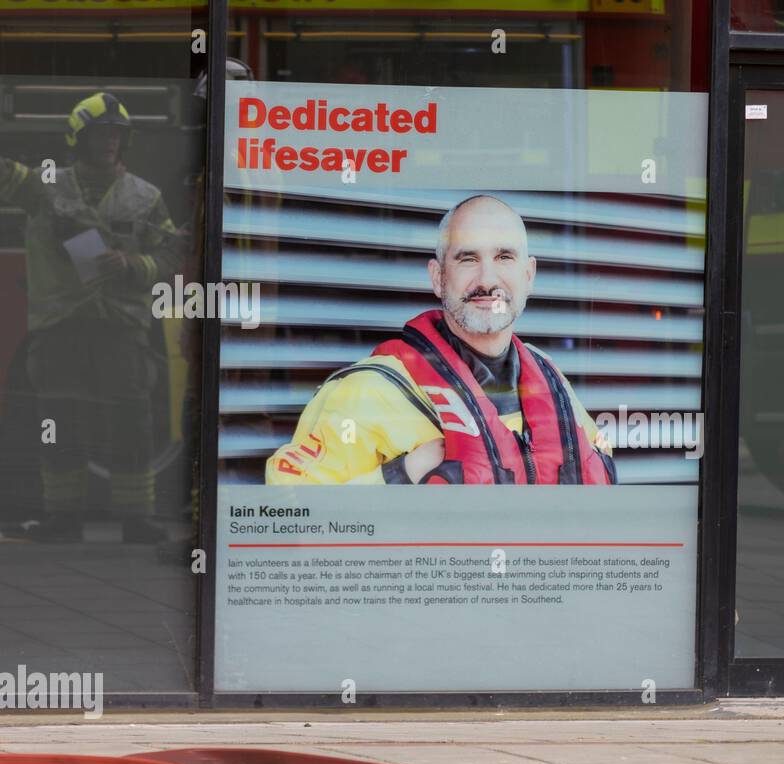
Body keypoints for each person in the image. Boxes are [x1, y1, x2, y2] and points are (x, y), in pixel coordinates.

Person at [267, 194, 616, 485]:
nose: (487, 278)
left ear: (529, 275)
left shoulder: (552, 382)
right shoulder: (366, 392)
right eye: (468, 258)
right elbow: (288, 517)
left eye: (504, 257)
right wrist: (400, 475)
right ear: (438, 278)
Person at [0, 92, 182, 543]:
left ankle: (136, 520)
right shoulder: (46, 184)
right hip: (60, 326)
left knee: (130, 421)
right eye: (101, 133)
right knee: (58, 420)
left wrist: (134, 266)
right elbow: (7, 174)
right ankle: (62, 519)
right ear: (78, 139)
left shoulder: (146, 197)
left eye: (117, 134)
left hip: (120, 328)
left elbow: (171, 254)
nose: (110, 142)